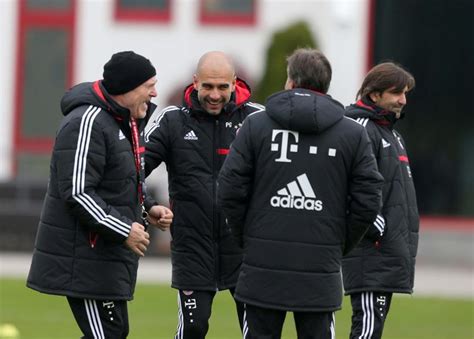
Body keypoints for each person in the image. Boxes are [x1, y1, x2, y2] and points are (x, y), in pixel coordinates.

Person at [217, 48, 384, 338]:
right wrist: (339, 243)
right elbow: (368, 201)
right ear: (326, 85)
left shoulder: (256, 125)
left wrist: (248, 236)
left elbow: (229, 189)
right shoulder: (353, 134)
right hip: (321, 269)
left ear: (291, 82)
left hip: (262, 266)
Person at [27, 51, 173, 338]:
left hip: (103, 257)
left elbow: (121, 182)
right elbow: (78, 193)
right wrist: (124, 230)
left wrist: (147, 208)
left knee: (112, 332)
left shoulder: (123, 120)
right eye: (149, 86)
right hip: (84, 257)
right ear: (128, 88)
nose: (155, 93)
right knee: (108, 333)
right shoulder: (88, 121)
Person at [145, 51, 264, 338]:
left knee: (258, 332)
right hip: (192, 248)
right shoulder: (173, 120)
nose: (214, 94)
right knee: (193, 328)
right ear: (195, 82)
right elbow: (132, 169)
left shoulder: (258, 120)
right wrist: (147, 206)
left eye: (222, 87)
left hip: (246, 250)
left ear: (234, 84)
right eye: (208, 86)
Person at [342, 62, 419, 339]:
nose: (403, 100)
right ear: (374, 95)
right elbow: (346, 185)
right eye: (397, 92)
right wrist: (375, 228)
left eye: (405, 93)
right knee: (366, 329)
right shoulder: (360, 128)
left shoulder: (392, 133)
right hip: (370, 251)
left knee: (372, 329)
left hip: (385, 253)